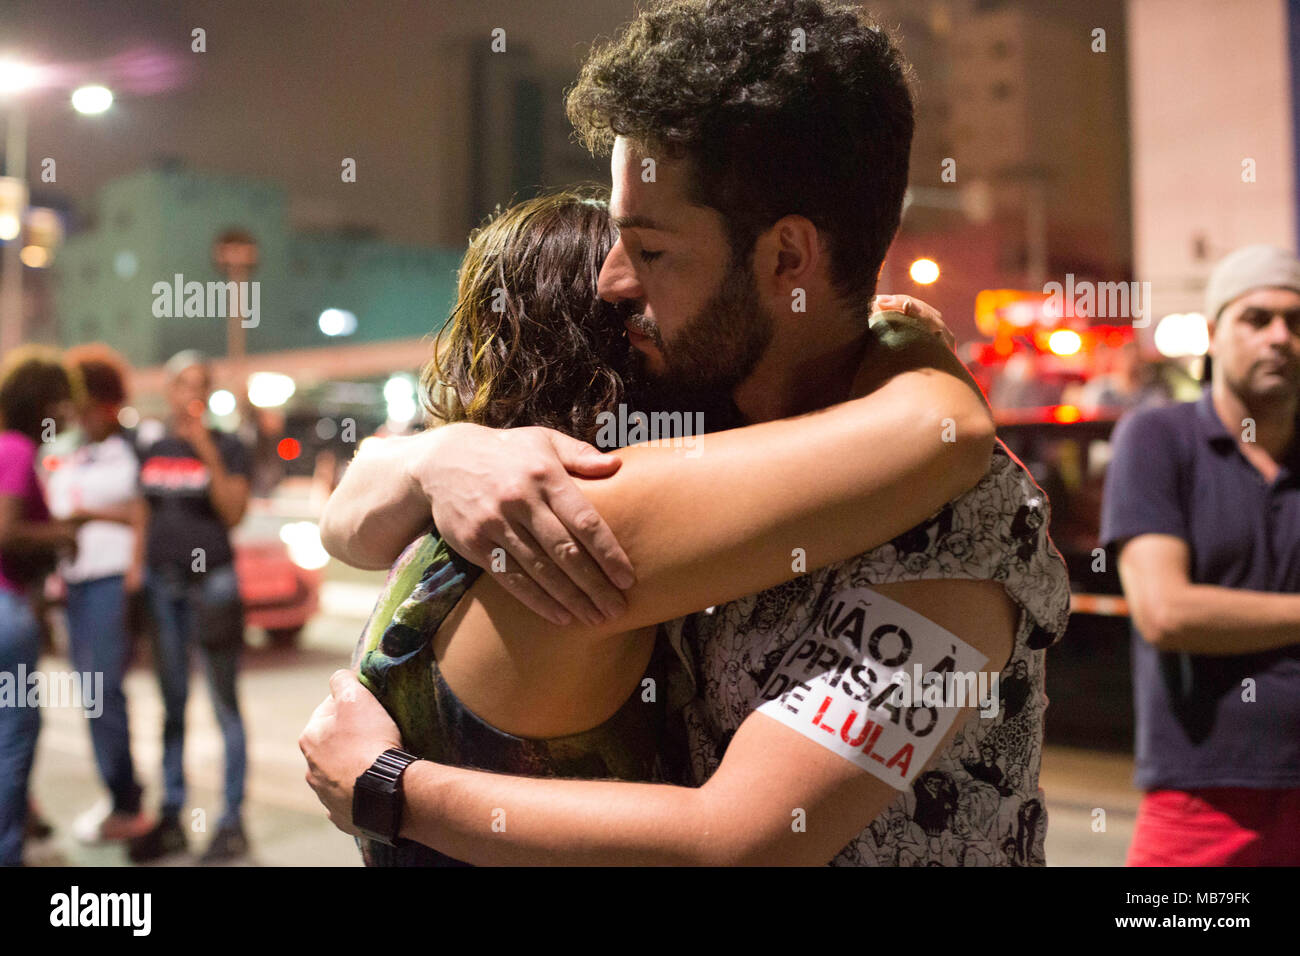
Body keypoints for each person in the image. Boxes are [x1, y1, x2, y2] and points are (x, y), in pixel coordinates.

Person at [304, 0, 1071, 866]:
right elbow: (354, 524)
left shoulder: (959, 521)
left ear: (787, 260)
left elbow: (747, 840)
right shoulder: (707, 433)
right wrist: (434, 454)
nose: (612, 280)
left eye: (653, 249)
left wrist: (387, 786)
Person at [1102, 243, 1300, 866]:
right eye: (1257, 318)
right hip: (1200, 797)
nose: (1280, 337)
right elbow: (1166, 612)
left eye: (1297, 323)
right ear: (1214, 332)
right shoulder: (1159, 439)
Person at [129, 351, 252, 864]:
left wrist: (205, 447)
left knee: (224, 704)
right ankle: (173, 816)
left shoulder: (228, 446)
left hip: (214, 585)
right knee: (172, 705)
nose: (191, 393)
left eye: (200, 385)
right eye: (183, 383)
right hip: (164, 586)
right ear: (168, 388)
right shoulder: (153, 444)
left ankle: (230, 823)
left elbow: (234, 511)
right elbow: (142, 508)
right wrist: (136, 568)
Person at [43, 344, 154, 843]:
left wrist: (96, 522)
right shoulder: (69, 452)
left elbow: (145, 514)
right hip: (75, 586)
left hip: (115, 581)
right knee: (90, 695)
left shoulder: (135, 446)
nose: (80, 414)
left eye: (88, 404)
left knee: (104, 691)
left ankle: (127, 801)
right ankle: (118, 796)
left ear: (110, 401)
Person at [0, 347, 80, 866]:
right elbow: (5, 531)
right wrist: (63, 532)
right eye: (63, 403)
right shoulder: (13, 447)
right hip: (6, 607)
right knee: (13, 736)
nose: (69, 416)